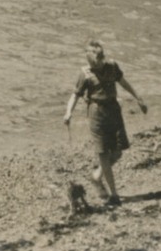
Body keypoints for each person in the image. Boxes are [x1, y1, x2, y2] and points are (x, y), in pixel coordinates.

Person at [63, 40, 148, 208]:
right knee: (102, 153)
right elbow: (76, 95)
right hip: (97, 113)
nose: (100, 63)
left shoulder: (112, 66)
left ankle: (97, 176)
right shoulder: (85, 74)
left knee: (117, 152)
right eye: (96, 61)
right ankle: (114, 194)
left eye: (101, 58)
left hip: (114, 111)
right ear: (90, 61)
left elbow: (123, 82)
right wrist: (68, 113)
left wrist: (138, 98)